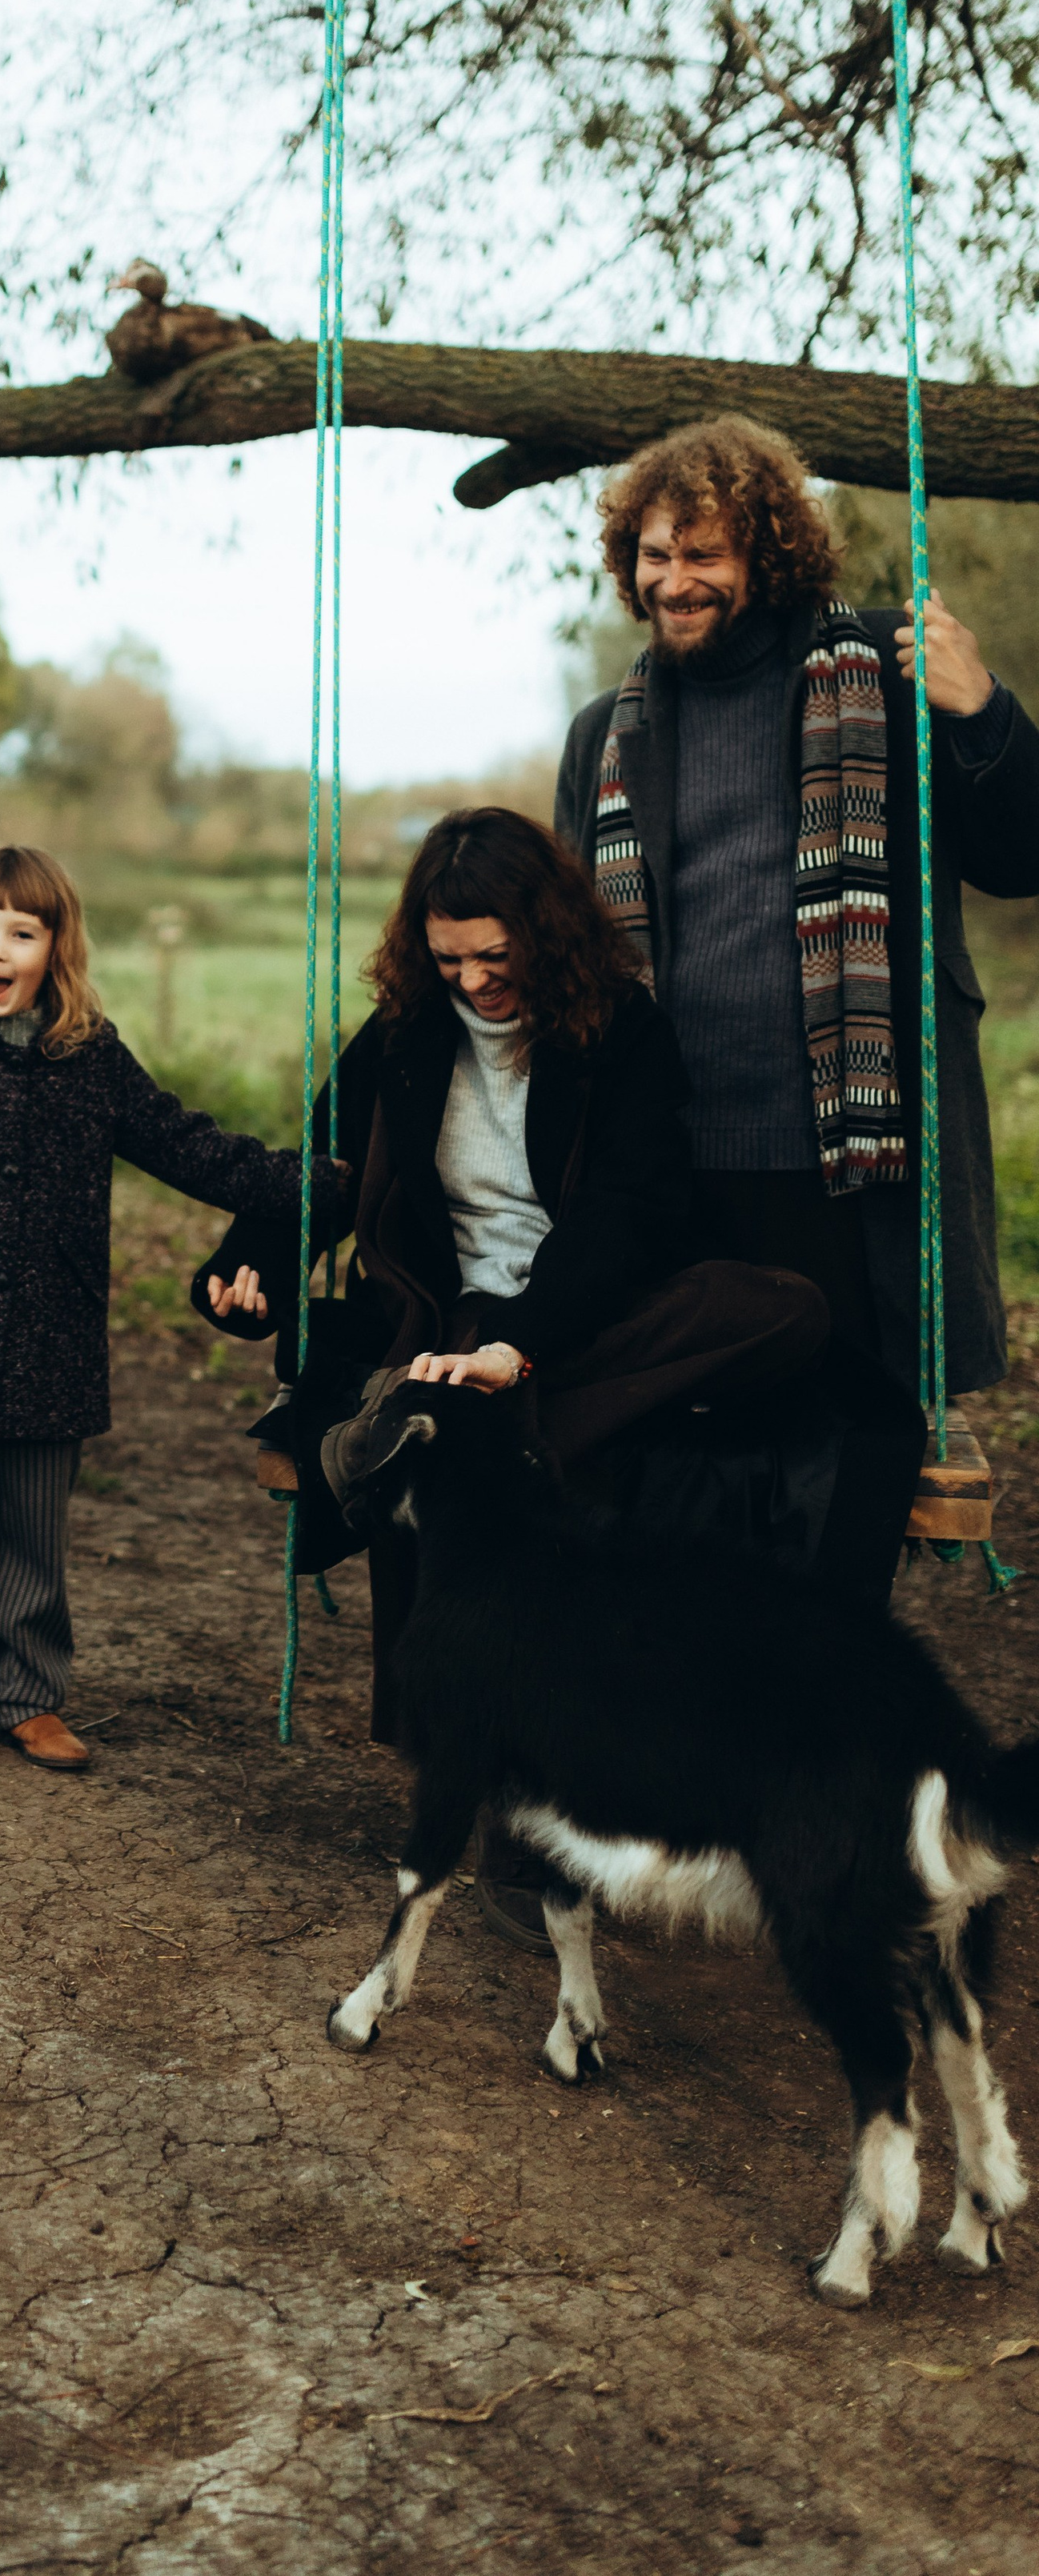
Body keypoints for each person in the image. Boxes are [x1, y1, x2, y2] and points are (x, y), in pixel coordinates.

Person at [191, 807, 830, 1943]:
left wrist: (520, 1345)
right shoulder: (403, 1030)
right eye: (451, 960)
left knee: (781, 1309)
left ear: (548, 932)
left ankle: (455, 1407)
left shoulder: (618, 1029)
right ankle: (494, 1783)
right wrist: (243, 1265)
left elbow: (632, 1213)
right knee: (493, 1464)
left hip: (576, 1319)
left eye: (498, 956)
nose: (477, 981)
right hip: (440, 1315)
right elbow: (323, 1165)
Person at [556, 415, 1039, 1583]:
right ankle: (694, 1726)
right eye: (656, 556)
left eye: (706, 555)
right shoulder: (602, 736)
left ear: (766, 553)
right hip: (674, 1154)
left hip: (849, 1157)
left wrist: (983, 715)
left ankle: (822, 1725)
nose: (677, 581)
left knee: (841, 1470)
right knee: (679, 1465)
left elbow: (1021, 855)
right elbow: (569, 950)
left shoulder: (884, 672)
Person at [0, 843, 314, 1775]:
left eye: (21, 932)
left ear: (56, 946)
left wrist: (306, 1182)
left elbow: (183, 1142)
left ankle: (32, 1695)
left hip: (50, 1328)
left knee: (35, 1524)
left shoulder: (90, 1056)